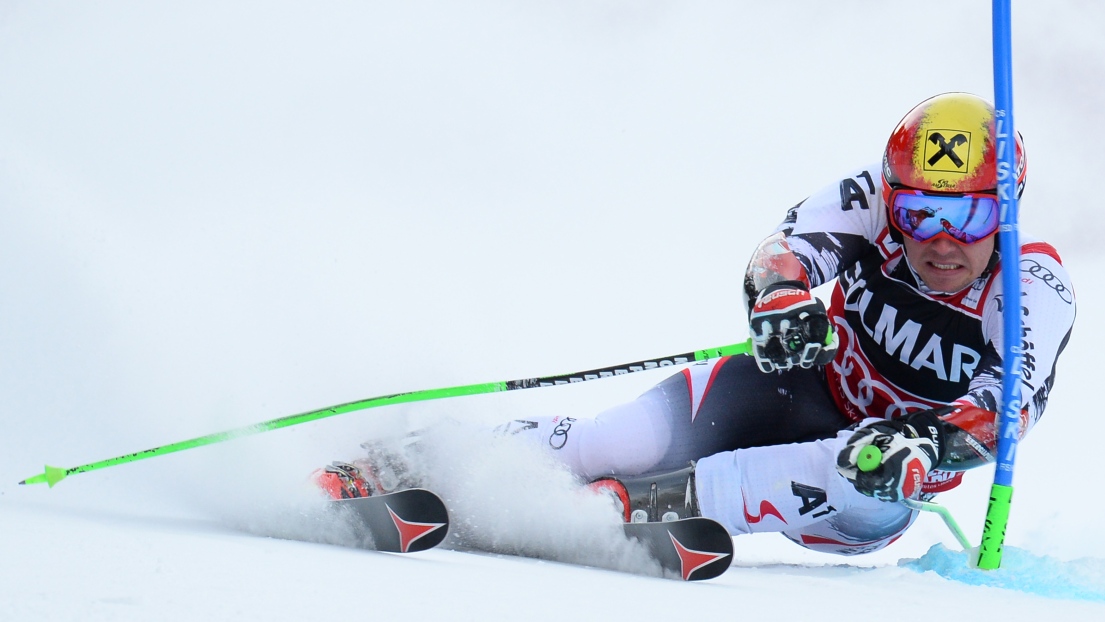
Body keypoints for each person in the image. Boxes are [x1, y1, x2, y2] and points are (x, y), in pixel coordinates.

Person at [315, 92, 1076, 556]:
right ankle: (408, 461)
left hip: (869, 489)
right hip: (796, 390)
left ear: (1005, 206)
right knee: (616, 441)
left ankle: (608, 512)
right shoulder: (868, 198)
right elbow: (783, 252)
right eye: (919, 209)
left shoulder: (1032, 283)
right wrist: (779, 303)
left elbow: (1009, 403)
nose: (940, 238)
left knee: (859, 460)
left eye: (967, 212)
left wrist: (929, 439)